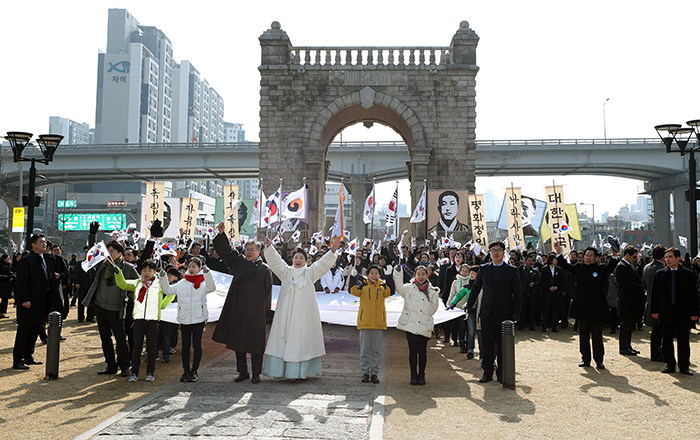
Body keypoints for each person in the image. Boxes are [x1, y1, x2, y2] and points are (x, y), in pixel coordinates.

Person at [262, 236, 340, 380]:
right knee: (284, 341)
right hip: (286, 317)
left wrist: (333, 250)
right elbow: (276, 262)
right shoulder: (286, 272)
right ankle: (281, 371)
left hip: (303, 318)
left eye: (301, 258)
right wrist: (269, 247)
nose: (298, 260)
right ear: (292, 260)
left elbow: (322, 264)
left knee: (301, 342)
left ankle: (301, 372)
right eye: (296, 257)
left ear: (306, 261)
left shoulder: (310, 273)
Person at [212, 222, 272, 384]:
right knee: (239, 343)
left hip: (256, 313)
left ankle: (256, 374)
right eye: (247, 249)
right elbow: (226, 251)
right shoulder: (238, 262)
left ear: (259, 252)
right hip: (238, 310)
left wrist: (266, 315)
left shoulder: (265, 270)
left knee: (256, 345)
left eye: (252, 249)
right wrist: (222, 234)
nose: (248, 252)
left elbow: (267, 294)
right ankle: (242, 372)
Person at [555, 241, 617, 369]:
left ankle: (599, 360)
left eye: (590, 256)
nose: (587, 258)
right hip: (582, 307)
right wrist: (558, 252)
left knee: (597, 336)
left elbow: (611, 266)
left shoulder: (600, 269)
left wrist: (615, 254)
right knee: (583, 335)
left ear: (596, 257)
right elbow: (565, 266)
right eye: (586, 255)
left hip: (596, 308)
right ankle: (585, 359)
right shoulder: (579, 267)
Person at [466, 241, 522, 383]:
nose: (496, 252)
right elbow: (476, 288)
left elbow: (517, 293)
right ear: (490, 253)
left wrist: (516, 312)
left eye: (499, 250)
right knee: (487, 345)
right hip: (486, 312)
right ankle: (487, 372)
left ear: (504, 253)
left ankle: (502, 373)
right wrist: (469, 304)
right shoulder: (484, 269)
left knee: (502, 346)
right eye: (493, 250)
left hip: (505, 313)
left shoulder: (511, 270)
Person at [82, 238, 139, 377]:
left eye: (112, 251)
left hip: (117, 308)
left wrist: (129, 300)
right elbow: (92, 252)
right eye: (107, 251)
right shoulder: (102, 264)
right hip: (101, 307)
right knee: (105, 338)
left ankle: (124, 366)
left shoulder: (128, 268)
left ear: (120, 253)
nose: (108, 253)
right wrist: (92, 235)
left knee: (121, 338)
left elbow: (137, 285)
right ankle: (110, 364)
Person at [115, 259, 175, 382]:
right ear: (141, 271)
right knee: (137, 347)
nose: (147, 273)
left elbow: (171, 293)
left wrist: (162, 305)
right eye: (144, 270)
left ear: (154, 271)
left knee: (152, 347)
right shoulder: (137, 283)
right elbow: (123, 284)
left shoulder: (158, 284)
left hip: (152, 320)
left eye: (150, 270)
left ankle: (150, 372)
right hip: (138, 320)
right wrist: (118, 273)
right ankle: (134, 372)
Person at [159, 256, 215, 382]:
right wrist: (163, 277)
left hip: (198, 318)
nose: (191, 269)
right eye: (189, 266)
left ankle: (194, 371)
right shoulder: (181, 283)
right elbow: (167, 290)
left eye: (194, 266)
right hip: (184, 318)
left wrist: (207, 273)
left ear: (199, 268)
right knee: (185, 346)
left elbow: (212, 288)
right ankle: (186, 371)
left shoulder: (202, 283)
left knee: (196, 346)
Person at [12, 234, 61, 370]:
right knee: (25, 330)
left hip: (41, 302)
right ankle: (18, 359)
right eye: (41, 242)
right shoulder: (26, 260)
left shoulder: (43, 258)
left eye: (45, 242)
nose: (44, 244)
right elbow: (22, 283)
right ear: (33, 244)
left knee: (35, 329)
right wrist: (25, 300)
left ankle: (28, 356)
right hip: (29, 302)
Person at [650, 247, 700, 375]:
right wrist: (654, 310)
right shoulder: (660, 274)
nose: (667, 259)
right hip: (666, 311)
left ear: (678, 258)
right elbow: (654, 294)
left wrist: (695, 313)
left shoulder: (688, 274)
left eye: (670, 257)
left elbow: (694, 295)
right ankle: (670, 364)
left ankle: (684, 365)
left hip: (683, 312)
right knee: (666, 339)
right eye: (666, 257)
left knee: (683, 340)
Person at [393, 264, 440, 385]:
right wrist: (398, 273)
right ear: (415, 275)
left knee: (423, 351)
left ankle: (422, 375)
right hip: (411, 324)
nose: (420, 277)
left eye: (423, 274)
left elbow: (434, 308)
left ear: (427, 275)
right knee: (412, 351)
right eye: (418, 274)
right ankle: (413, 375)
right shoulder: (409, 288)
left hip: (424, 324)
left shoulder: (432, 291)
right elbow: (398, 287)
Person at [350, 264, 392, 384]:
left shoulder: (382, 288)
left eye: (376, 273)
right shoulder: (363, 287)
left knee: (376, 350)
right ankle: (365, 373)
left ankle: (374, 373)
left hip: (378, 323)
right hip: (365, 323)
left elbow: (391, 291)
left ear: (379, 275)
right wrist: (353, 278)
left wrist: (389, 277)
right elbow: (352, 290)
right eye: (371, 273)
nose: (374, 275)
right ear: (367, 275)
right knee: (364, 350)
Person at [616, 246, 645, 356]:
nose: (635, 259)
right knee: (625, 325)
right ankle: (623, 347)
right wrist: (641, 288)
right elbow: (627, 283)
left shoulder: (630, 266)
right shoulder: (621, 266)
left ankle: (628, 346)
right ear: (627, 255)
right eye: (633, 256)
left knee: (630, 325)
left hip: (632, 300)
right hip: (626, 300)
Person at [642, 245, 666, 362]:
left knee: (655, 331)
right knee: (659, 331)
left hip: (650, 302)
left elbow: (645, 286)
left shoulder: (647, 267)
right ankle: (657, 353)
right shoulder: (662, 269)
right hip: (660, 304)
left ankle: (655, 352)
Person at [447, 264, 471, 353]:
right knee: (461, 327)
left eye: (466, 271)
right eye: (463, 271)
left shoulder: (472, 281)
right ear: (459, 271)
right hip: (458, 308)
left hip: (469, 307)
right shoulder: (455, 282)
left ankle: (469, 344)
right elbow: (452, 294)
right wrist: (449, 305)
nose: (464, 273)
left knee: (469, 328)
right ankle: (461, 344)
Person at [540, 254, 565, 332]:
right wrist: (549, 287)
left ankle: (554, 326)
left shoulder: (558, 269)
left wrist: (557, 287)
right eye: (555, 259)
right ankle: (544, 326)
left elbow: (562, 280)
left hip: (556, 292)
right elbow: (542, 280)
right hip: (547, 292)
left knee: (555, 309)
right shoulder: (544, 269)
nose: (556, 261)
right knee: (546, 309)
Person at [518, 254, 541, 331]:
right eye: (529, 261)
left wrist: (534, 283)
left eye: (532, 261)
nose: (530, 262)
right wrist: (522, 265)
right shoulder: (522, 269)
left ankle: (531, 325)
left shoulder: (535, 271)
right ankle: (522, 324)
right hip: (523, 292)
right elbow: (517, 274)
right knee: (523, 310)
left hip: (532, 293)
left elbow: (539, 281)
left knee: (532, 310)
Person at [0, 254, 15, 319]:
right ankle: (1, 313)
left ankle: (1, 313)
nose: (9, 260)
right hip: (3, 285)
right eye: (8, 258)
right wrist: (9, 264)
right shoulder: (2, 265)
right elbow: (6, 271)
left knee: (4, 300)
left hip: (5, 285)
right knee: (4, 300)